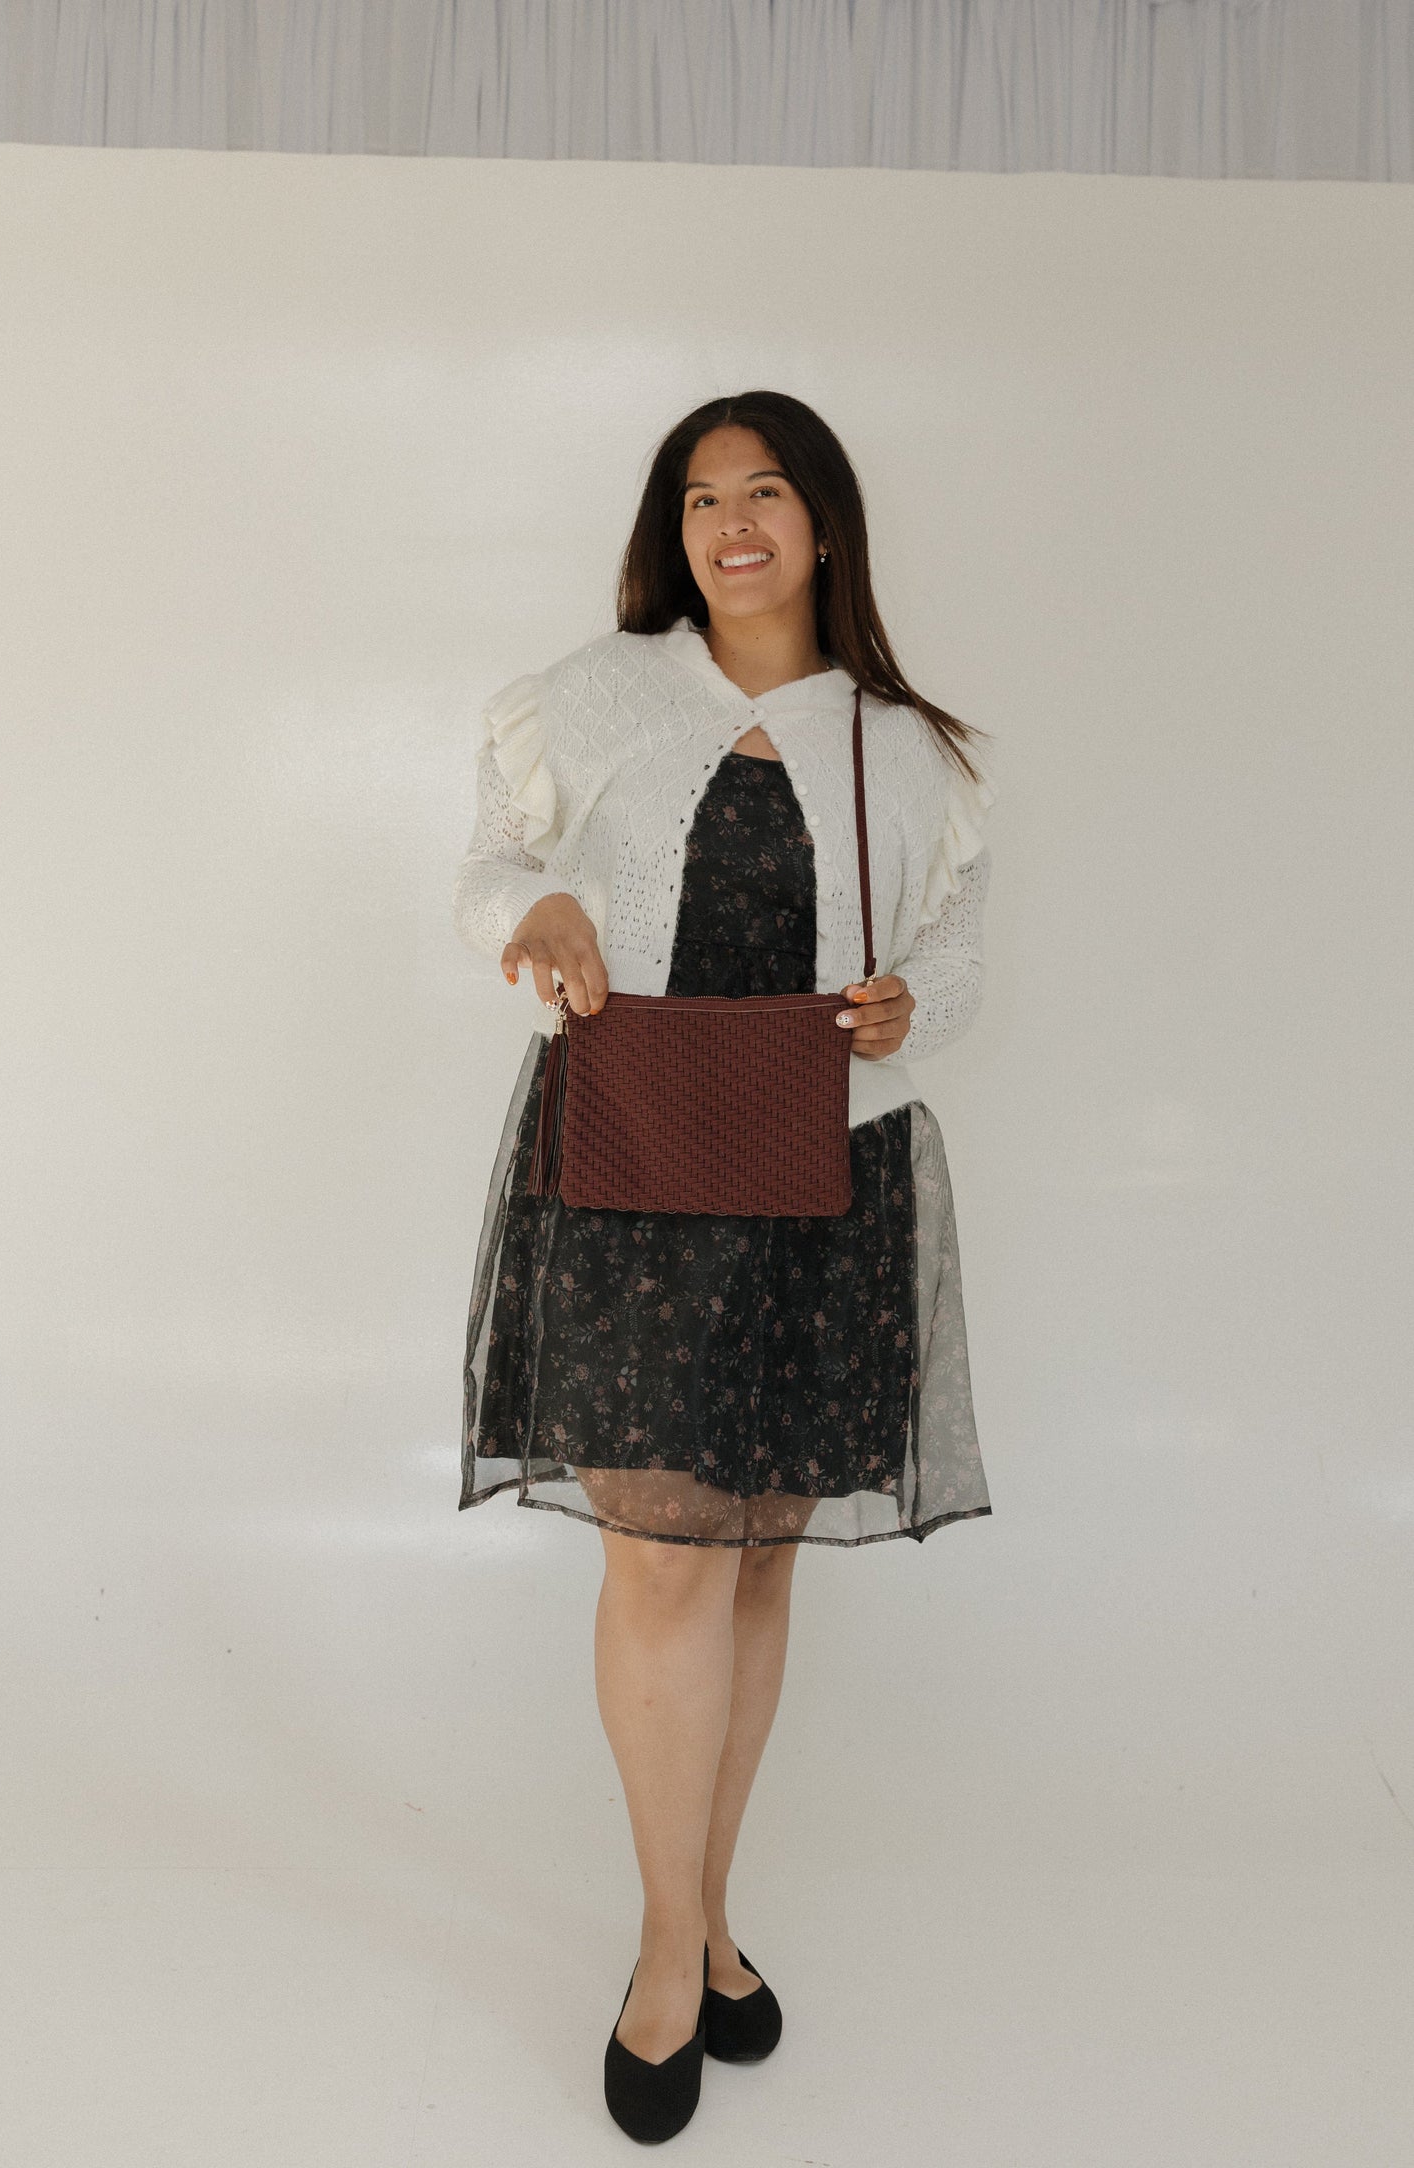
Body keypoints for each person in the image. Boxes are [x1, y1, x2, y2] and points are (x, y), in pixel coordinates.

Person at [451, 390, 998, 2142]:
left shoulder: (909, 749)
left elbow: (953, 966)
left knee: (757, 1567)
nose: (731, 522)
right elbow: (496, 865)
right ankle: (672, 1951)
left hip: (824, 1172)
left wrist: (917, 1002)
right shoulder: (594, 694)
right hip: (628, 1170)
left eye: (765, 492)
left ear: (824, 524)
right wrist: (526, 917)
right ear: (671, 531)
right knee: (664, 1570)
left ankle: (701, 1922)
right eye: (700, 498)